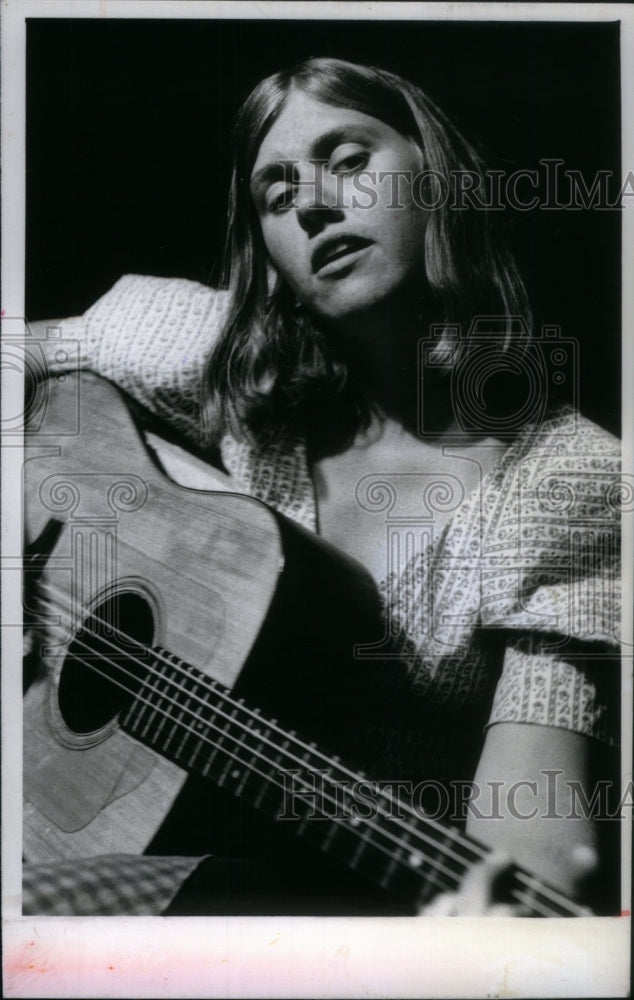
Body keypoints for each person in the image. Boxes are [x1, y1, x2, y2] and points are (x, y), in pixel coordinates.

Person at [23, 57, 621, 916]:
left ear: (440, 178)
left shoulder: (566, 482)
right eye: (275, 192)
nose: (310, 203)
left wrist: (496, 922)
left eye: (347, 159)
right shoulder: (225, 364)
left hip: (344, 904)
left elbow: (533, 843)